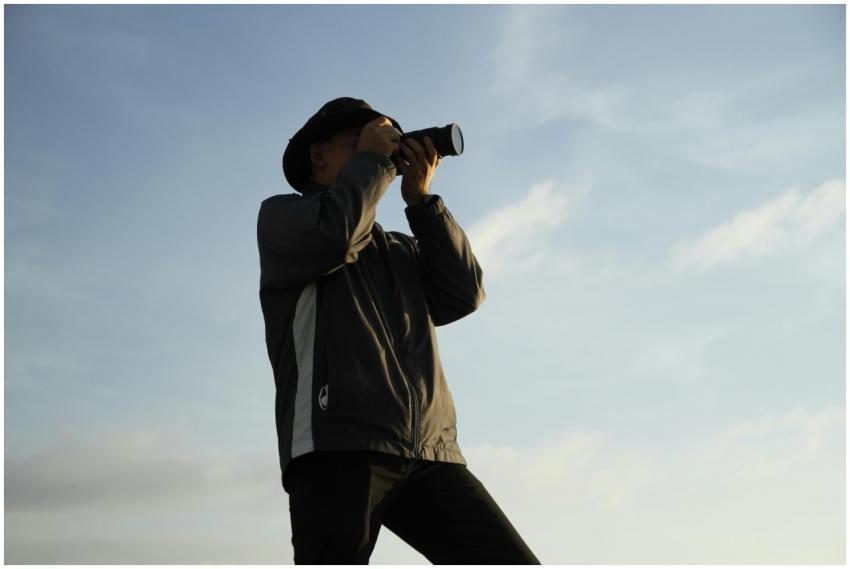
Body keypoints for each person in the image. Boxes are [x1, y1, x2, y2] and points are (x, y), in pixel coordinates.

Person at [257, 96, 540, 564]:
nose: (381, 148)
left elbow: (463, 294)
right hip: (337, 443)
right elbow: (335, 235)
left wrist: (422, 201)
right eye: (360, 140)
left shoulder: (400, 249)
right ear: (318, 155)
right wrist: (373, 161)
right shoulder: (284, 218)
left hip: (428, 450)